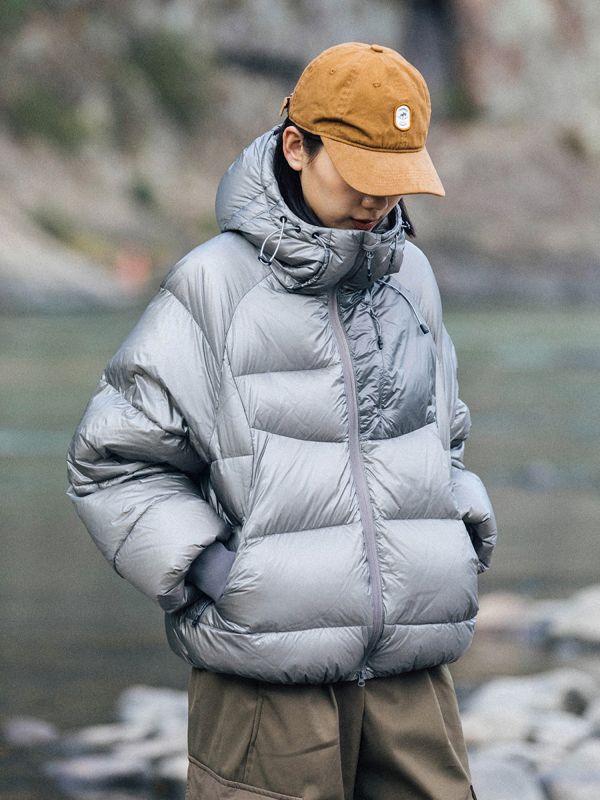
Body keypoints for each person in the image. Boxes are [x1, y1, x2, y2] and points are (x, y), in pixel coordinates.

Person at [66, 42, 497, 800]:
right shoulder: (213, 285)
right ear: (297, 147)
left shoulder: (413, 279)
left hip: (413, 672)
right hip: (267, 681)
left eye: (395, 180)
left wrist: (458, 531)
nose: (378, 201)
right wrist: (217, 572)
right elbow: (112, 462)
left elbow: (443, 435)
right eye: (360, 176)